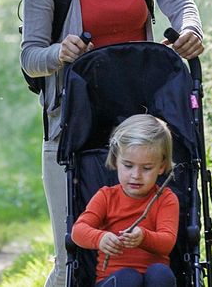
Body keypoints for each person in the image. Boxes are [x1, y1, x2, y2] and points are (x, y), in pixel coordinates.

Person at [22, 0, 205, 287]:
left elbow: (181, 4)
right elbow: (30, 58)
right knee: (71, 261)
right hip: (75, 130)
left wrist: (190, 29)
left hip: (143, 129)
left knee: (159, 256)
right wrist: (59, 52)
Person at [70, 114, 180, 286]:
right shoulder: (106, 196)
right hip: (115, 280)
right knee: (129, 278)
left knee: (160, 273)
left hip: (153, 279)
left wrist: (143, 237)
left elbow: (167, 242)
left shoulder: (166, 199)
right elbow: (78, 231)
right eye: (128, 166)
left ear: (161, 166)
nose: (136, 175)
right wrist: (100, 238)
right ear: (116, 160)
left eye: (147, 168)